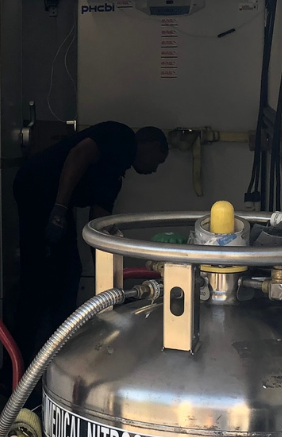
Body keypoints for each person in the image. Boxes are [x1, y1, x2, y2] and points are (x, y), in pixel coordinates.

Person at [13, 122, 168, 360]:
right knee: (38, 278)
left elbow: (98, 228)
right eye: (158, 161)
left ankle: (55, 353)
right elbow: (80, 153)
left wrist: (109, 282)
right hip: (38, 189)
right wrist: (59, 209)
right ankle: (20, 366)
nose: (155, 170)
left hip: (50, 200)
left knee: (69, 272)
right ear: (150, 145)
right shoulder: (122, 137)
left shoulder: (113, 178)